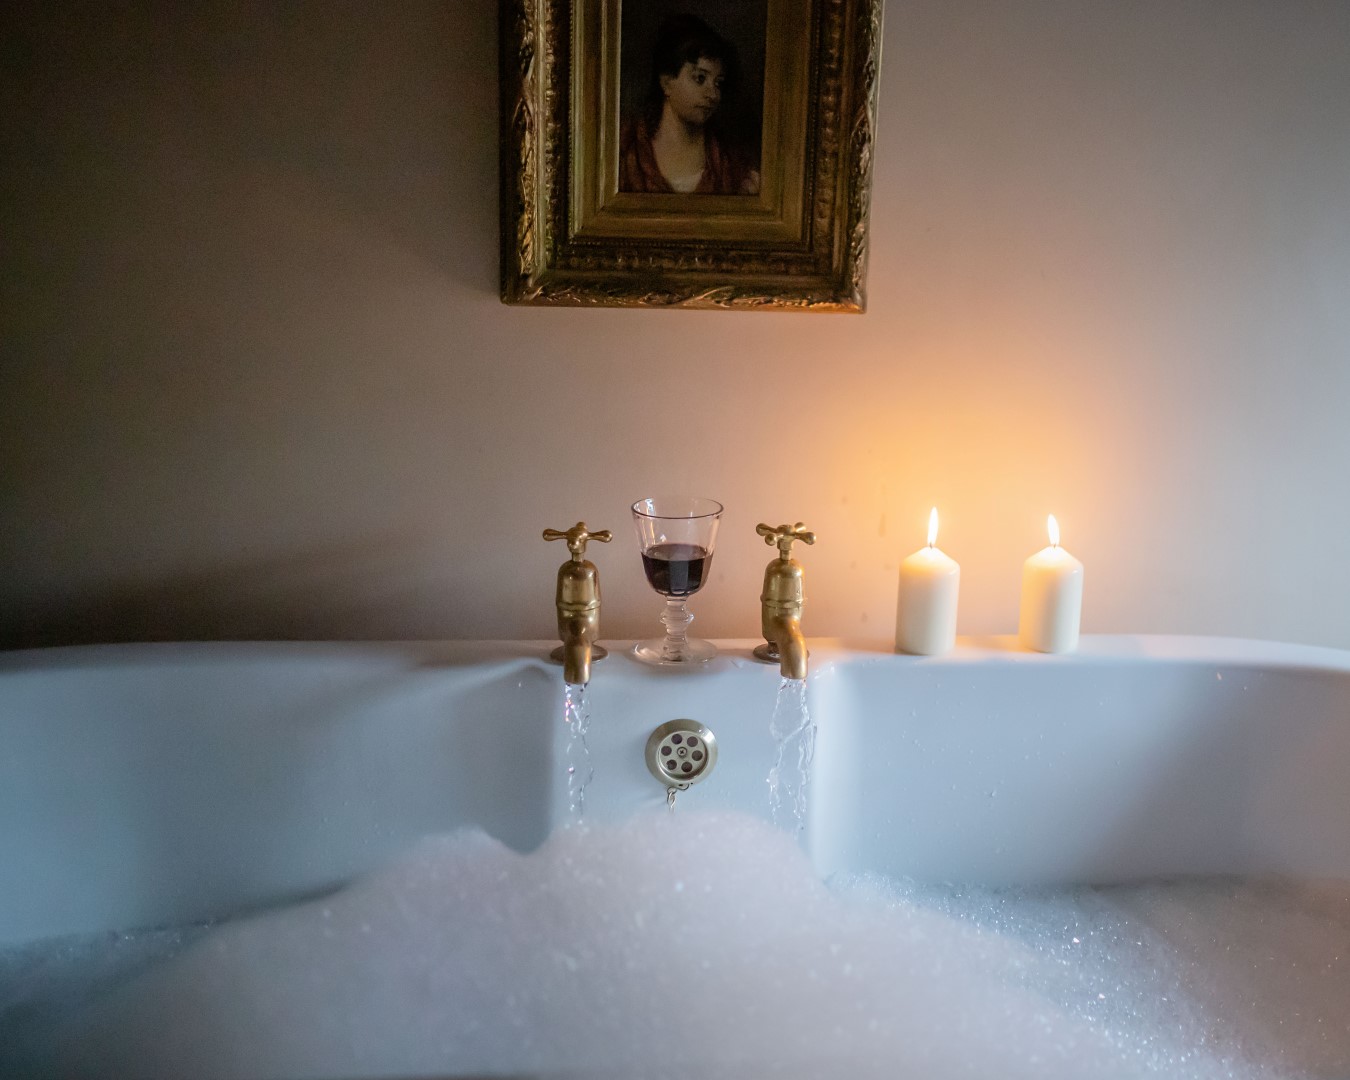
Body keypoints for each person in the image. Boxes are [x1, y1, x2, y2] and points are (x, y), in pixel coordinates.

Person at [619, 14, 761, 196]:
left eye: (718, 83)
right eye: (700, 78)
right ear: (667, 82)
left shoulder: (732, 163)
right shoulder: (627, 149)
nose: (713, 94)